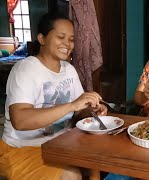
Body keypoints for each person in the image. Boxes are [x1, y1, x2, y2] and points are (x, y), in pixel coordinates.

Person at [0, 13, 107, 179]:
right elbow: (20, 120)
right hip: (23, 148)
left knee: (95, 162)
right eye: (61, 37)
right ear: (42, 39)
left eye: (71, 39)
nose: (68, 44)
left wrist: (92, 110)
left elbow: (79, 111)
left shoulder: (69, 70)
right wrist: (72, 105)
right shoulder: (25, 69)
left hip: (60, 145)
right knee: (72, 175)